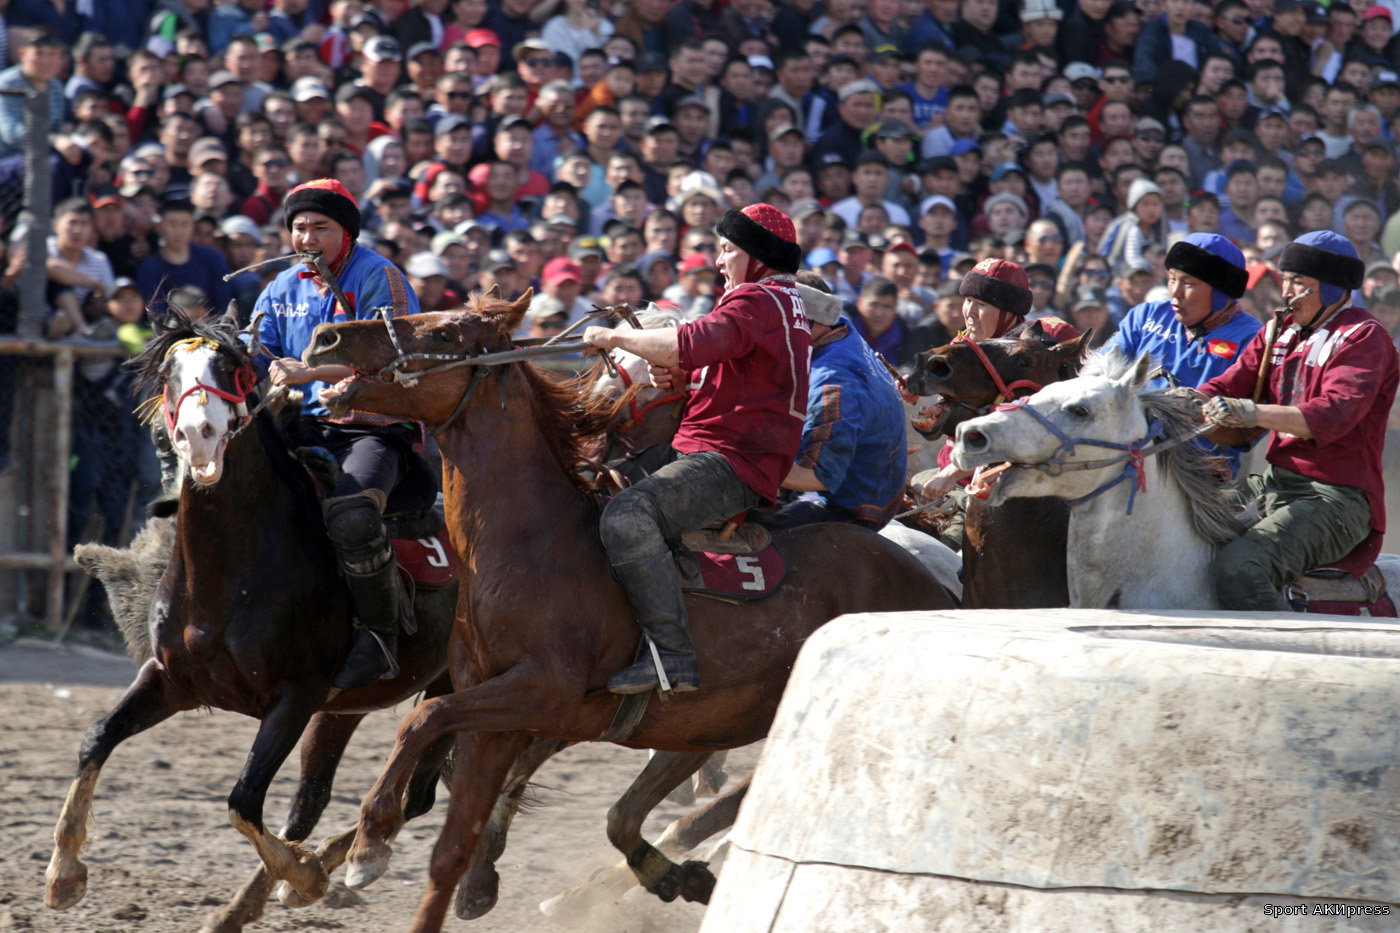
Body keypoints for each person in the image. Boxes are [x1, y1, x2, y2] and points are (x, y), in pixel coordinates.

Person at [582, 203, 811, 695]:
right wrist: (684, 376)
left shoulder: (758, 299)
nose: (720, 261)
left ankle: (671, 657)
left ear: (759, 256)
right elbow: (727, 365)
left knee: (627, 518)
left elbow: (692, 340)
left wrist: (613, 335)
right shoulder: (777, 301)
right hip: (721, 449)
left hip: (731, 461)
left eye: (728, 250)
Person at [252, 179, 423, 690]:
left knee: (351, 517)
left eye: (319, 228)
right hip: (299, 425)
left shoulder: (379, 276)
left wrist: (309, 373)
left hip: (373, 429)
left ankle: (378, 637)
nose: (306, 238)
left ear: (345, 233)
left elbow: (391, 356)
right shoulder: (282, 286)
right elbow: (254, 345)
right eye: (299, 228)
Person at [1199, 231, 1400, 611]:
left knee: (1240, 568)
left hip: (1337, 497)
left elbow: (1334, 413)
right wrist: (1184, 400)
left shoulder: (1364, 337)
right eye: (1285, 279)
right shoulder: (1280, 330)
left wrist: (1250, 412)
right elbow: (1228, 382)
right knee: (1187, 522)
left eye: (1299, 282)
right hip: (1275, 481)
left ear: (1331, 290)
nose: (1287, 291)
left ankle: (1275, 663)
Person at [912, 258, 1080, 550]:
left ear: (1009, 313)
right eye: (967, 300)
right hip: (950, 479)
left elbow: (1016, 436)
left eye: (982, 304)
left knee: (953, 552)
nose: (970, 313)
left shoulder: (1028, 360)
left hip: (1003, 493)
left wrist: (950, 474)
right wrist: (938, 410)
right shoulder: (962, 346)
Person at [758, 273, 908, 531]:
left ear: (805, 321)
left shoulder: (833, 382)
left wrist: (742, 465)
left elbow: (819, 476)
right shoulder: (839, 326)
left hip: (851, 507)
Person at [1103, 233, 1262, 472]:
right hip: (1124, 456)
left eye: (1188, 283)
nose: (1175, 292)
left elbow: (1246, 434)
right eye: (1171, 279)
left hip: (1199, 470)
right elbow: (1101, 376)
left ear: (1221, 290)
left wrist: (1193, 416)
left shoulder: (1253, 339)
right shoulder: (1146, 316)